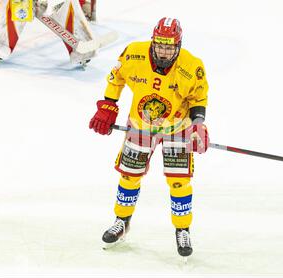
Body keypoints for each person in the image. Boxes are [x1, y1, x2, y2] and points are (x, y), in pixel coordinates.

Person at [89, 17, 209, 257]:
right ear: (153, 42)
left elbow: (198, 98)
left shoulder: (191, 66)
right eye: (160, 45)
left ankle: (182, 229)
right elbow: (116, 78)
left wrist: (197, 124)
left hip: (177, 127)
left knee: (178, 181)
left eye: (169, 47)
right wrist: (108, 106)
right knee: (129, 176)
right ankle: (122, 221)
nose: (164, 52)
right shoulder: (134, 54)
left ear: (178, 45)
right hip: (141, 126)